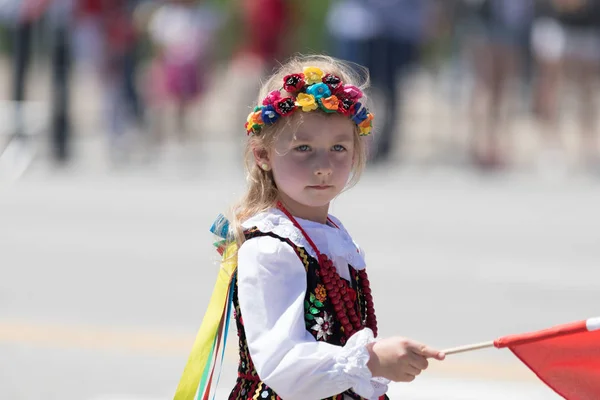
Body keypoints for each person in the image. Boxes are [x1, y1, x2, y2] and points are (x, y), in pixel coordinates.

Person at [173, 55, 445, 400]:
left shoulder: (328, 234)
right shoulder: (271, 248)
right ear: (263, 155)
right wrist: (370, 360)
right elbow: (282, 363)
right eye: (303, 148)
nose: (323, 167)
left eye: (338, 148)